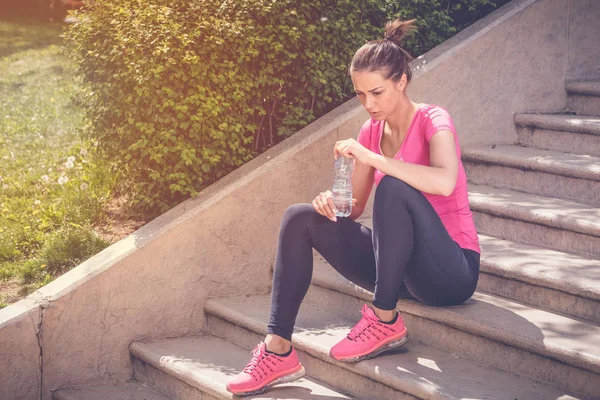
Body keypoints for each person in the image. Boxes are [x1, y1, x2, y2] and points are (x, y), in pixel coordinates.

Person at [226, 18, 481, 396]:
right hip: (402, 269)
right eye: (361, 95)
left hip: (450, 270)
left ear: (401, 81)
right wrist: (332, 202)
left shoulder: (433, 120)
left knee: (394, 186)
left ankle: (384, 318)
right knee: (300, 218)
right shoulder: (371, 132)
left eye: (376, 92)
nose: (369, 104)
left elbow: (444, 180)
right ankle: (278, 351)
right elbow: (357, 207)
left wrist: (373, 159)